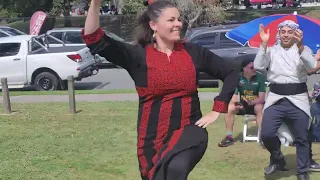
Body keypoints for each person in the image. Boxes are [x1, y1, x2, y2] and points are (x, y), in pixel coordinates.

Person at [81, 0, 239, 179]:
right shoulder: (137, 55)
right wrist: (95, 4)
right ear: (154, 25)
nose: (178, 24)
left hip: (190, 132)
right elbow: (93, 38)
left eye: (178, 19)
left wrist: (218, 109)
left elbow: (231, 72)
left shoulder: (193, 52)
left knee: (175, 170)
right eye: (171, 20)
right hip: (151, 139)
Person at [254, 20, 317, 180]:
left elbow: (311, 65)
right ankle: (277, 159)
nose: (287, 34)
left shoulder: (304, 49)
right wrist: (263, 44)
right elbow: (259, 66)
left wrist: (301, 46)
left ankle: (302, 171)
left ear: (296, 34)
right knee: (266, 134)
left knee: (302, 137)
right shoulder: (271, 50)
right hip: (276, 98)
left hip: (298, 98)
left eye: (290, 32)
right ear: (279, 34)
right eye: (283, 32)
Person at [218, 59, 265, 147]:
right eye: (252, 67)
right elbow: (234, 96)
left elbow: (261, 98)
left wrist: (251, 102)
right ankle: (229, 137)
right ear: (244, 69)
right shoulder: (238, 77)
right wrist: (236, 103)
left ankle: (263, 137)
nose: (255, 69)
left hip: (256, 104)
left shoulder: (260, 77)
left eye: (255, 67)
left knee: (259, 108)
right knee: (230, 108)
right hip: (243, 104)